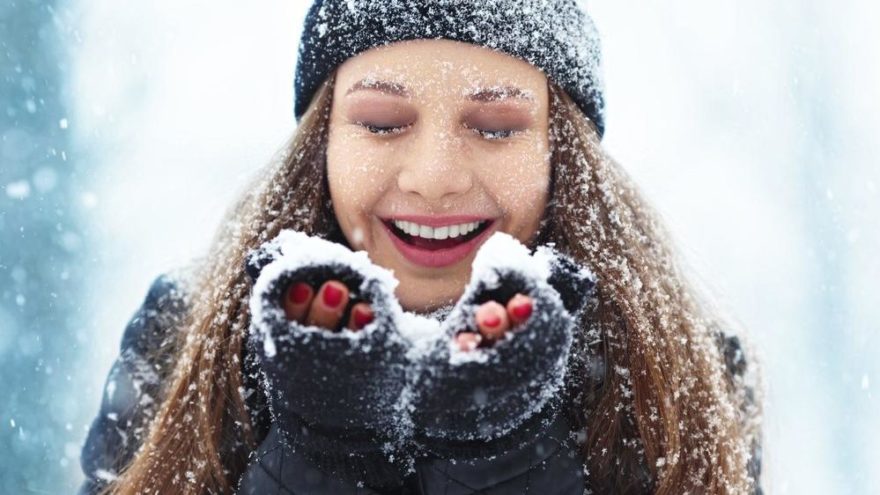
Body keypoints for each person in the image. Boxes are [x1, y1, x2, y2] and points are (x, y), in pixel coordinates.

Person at [78, 1, 763, 494]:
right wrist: (321, 453)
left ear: (562, 150)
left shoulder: (675, 367)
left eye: (495, 127)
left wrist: (501, 458)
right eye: (381, 123)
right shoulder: (188, 337)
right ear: (324, 141)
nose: (434, 176)